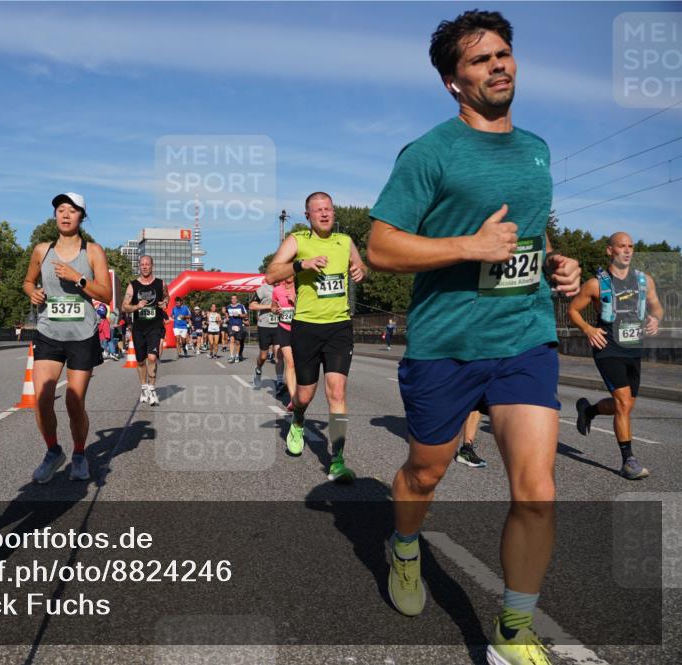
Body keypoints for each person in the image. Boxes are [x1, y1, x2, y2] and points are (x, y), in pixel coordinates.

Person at [366, 12, 581, 663]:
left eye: (505, 53)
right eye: (482, 59)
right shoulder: (430, 151)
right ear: (452, 82)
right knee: (425, 471)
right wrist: (469, 245)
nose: (499, 65)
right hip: (446, 343)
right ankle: (405, 545)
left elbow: (531, 234)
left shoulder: (538, 148)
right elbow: (379, 246)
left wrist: (558, 264)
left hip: (525, 337)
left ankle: (513, 632)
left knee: (537, 487)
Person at [267, 192, 367, 481]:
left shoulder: (344, 241)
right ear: (307, 215)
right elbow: (271, 275)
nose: (324, 214)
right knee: (305, 394)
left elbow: (362, 267)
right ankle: (297, 419)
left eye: (328, 209)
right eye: (317, 210)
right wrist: (300, 265)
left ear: (334, 213)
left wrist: (361, 271)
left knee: (337, 391)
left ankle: (337, 459)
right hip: (307, 327)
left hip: (338, 326)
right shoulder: (298, 241)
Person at [24, 192, 111, 483]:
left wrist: (79, 278)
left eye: (72, 211)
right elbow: (28, 281)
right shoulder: (41, 250)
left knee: (74, 402)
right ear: (54, 216)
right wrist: (32, 292)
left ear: (81, 217)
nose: (65, 214)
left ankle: (79, 454)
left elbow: (106, 294)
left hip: (82, 333)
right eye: (60, 210)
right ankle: (52, 451)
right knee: (42, 399)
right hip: (49, 332)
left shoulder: (94, 251)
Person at [568, 232, 663, 480]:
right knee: (622, 402)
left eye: (631, 246)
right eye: (622, 246)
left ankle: (589, 411)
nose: (628, 250)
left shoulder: (644, 281)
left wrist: (655, 318)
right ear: (610, 250)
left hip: (633, 348)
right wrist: (588, 329)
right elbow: (573, 310)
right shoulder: (595, 284)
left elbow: (657, 306)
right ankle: (628, 461)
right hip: (607, 348)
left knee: (627, 405)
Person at [123, 255, 168, 405]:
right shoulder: (133, 285)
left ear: (152, 266)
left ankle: (152, 389)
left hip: (155, 326)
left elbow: (167, 297)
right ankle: (144, 387)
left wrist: (164, 303)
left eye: (147, 264)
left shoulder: (161, 284)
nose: (144, 266)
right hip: (139, 328)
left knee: (153, 357)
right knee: (141, 361)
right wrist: (136, 306)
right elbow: (124, 306)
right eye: (142, 264)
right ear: (139, 266)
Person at [272, 273, 297, 410]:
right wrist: (276, 310)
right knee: (290, 362)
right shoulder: (277, 290)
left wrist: (295, 301)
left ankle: (294, 388)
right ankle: (293, 399)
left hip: (300, 329)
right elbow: (272, 307)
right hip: (284, 328)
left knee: (300, 364)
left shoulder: (300, 288)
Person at [249, 280, 279, 385]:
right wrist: (269, 306)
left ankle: (279, 381)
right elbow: (252, 306)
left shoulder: (286, 287)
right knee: (263, 356)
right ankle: (258, 369)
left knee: (278, 354)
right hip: (265, 326)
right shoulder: (264, 289)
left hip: (280, 325)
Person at [224, 295, 248, 364]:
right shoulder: (228, 306)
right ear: (231, 300)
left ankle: (237, 355)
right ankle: (231, 356)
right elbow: (226, 312)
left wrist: (239, 315)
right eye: (232, 298)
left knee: (237, 342)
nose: (233, 300)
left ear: (237, 299)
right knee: (231, 340)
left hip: (239, 326)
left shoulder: (241, 306)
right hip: (231, 325)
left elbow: (246, 315)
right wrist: (227, 317)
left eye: (235, 298)